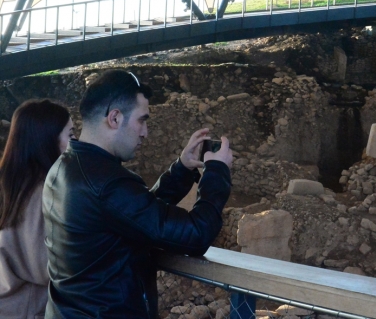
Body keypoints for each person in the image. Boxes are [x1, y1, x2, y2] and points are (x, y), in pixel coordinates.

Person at [42, 70, 233, 319]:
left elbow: (133, 214)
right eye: (142, 120)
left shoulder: (66, 166)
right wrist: (217, 171)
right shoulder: (106, 183)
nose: (145, 132)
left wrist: (182, 169)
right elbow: (196, 233)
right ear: (114, 118)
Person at [0, 99, 75, 319]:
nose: (76, 142)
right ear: (48, 140)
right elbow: (47, 269)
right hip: (30, 310)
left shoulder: (9, 184)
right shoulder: (43, 192)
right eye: (70, 135)